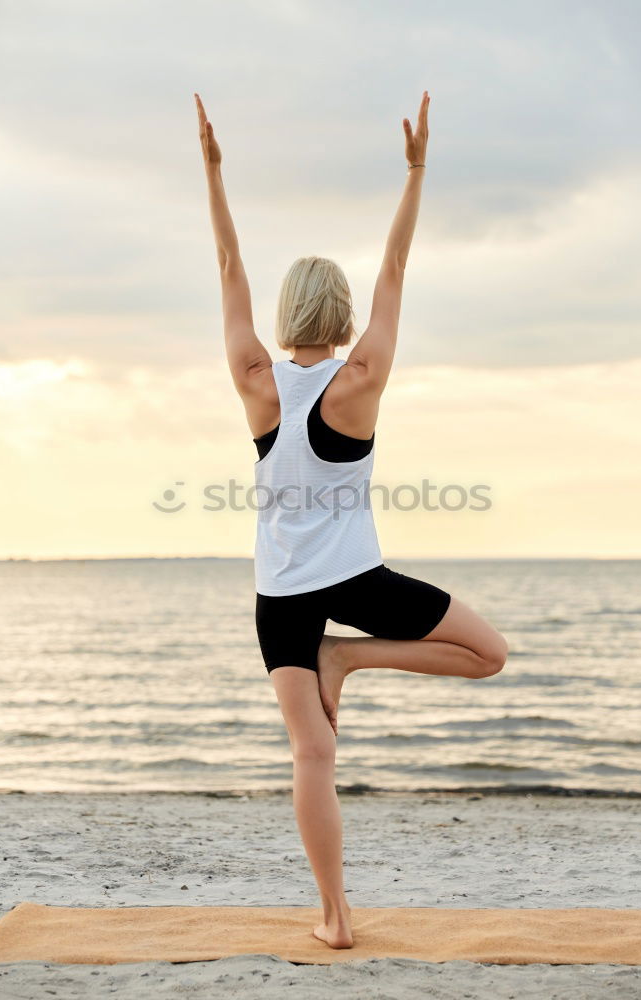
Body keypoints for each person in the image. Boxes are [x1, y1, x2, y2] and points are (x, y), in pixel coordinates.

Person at [195, 89, 508, 950]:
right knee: (489, 654)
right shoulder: (360, 378)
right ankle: (355, 655)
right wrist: (415, 173)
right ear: (336, 317)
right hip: (355, 581)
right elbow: (396, 273)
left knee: (312, 760)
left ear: (290, 313)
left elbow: (228, 270)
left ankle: (334, 919)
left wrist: (214, 174)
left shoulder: (254, 376)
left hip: (279, 594)